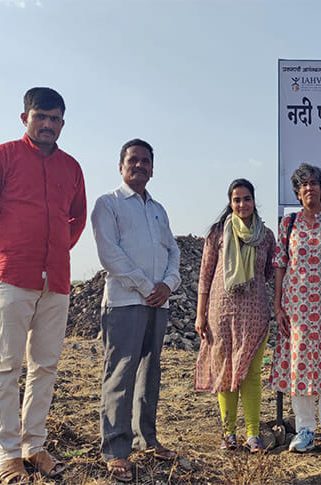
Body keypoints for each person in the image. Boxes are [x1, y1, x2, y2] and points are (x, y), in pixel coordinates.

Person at [0, 87, 86, 484]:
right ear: (25, 118)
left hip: (57, 281)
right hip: (11, 277)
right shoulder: (2, 157)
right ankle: (8, 452)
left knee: (45, 367)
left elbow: (77, 218)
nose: (48, 124)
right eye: (41, 117)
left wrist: (58, 249)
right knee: (7, 367)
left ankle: (35, 445)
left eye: (55, 119)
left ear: (62, 123)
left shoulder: (71, 168)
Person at [91, 139, 181, 483]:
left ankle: (147, 439)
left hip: (158, 303)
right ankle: (116, 449)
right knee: (121, 373)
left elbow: (173, 251)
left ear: (152, 169)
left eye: (146, 161)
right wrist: (146, 287)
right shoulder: (108, 204)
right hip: (125, 302)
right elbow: (109, 254)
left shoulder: (158, 210)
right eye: (133, 160)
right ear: (121, 166)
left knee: (149, 373)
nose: (140, 165)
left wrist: (168, 285)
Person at [270, 163, 321, 457]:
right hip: (296, 312)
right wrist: (278, 307)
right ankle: (305, 431)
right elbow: (280, 266)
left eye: (314, 183)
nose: (309, 188)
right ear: (297, 192)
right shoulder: (288, 224)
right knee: (299, 370)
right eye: (304, 184)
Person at [194, 179, 276, 452]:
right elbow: (205, 277)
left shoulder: (266, 237)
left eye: (246, 199)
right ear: (230, 203)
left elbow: (268, 274)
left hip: (255, 314)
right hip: (221, 314)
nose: (242, 204)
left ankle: (253, 434)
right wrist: (200, 314)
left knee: (251, 373)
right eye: (236, 200)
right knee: (225, 372)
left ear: (254, 201)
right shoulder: (218, 233)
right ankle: (228, 433)